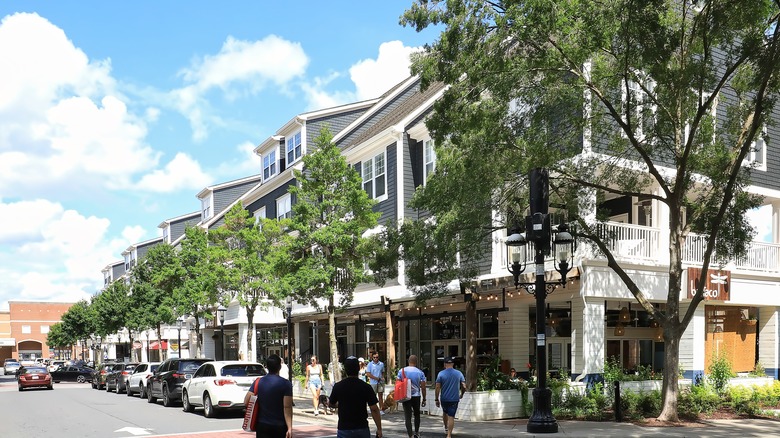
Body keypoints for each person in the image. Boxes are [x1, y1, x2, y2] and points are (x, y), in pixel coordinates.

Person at [329, 356, 383, 438]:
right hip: (362, 428)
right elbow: (374, 409)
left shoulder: (338, 386)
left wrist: (340, 404)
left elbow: (331, 403)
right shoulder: (366, 387)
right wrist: (379, 428)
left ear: (345, 370)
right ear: (358, 369)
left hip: (344, 428)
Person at [244, 354, 292, 438]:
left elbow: (246, 401)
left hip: (262, 425)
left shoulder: (258, 382)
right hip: (279, 425)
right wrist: (290, 428)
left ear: (267, 367)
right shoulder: (286, 384)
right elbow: (287, 407)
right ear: (279, 367)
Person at [435, 357, 466, 438]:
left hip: (444, 398)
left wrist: (436, 399)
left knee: (445, 413)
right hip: (454, 399)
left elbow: (437, 387)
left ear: (445, 364)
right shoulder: (459, 373)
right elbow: (464, 386)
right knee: (451, 416)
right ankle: (449, 435)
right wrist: (462, 393)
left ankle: (446, 428)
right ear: (453, 364)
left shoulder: (441, 374)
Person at [397, 355, 427, 438]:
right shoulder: (420, 372)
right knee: (417, 415)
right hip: (416, 396)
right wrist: (424, 398)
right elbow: (423, 387)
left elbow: (398, 384)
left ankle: (410, 435)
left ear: (408, 361)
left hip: (406, 396)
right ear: (416, 362)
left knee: (408, 416)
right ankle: (416, 432)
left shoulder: (402, 371)